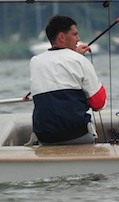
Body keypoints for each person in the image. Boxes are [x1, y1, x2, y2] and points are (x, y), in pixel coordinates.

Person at [29, 15, 106, 145]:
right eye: (75, 34)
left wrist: (73, 54)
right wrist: (76, 57)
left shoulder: (35, 61)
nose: (78, 39)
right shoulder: (79, 60)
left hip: (45, 137)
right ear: (62, 37)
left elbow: (58, 64)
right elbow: (99, 104)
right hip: (78, 134)